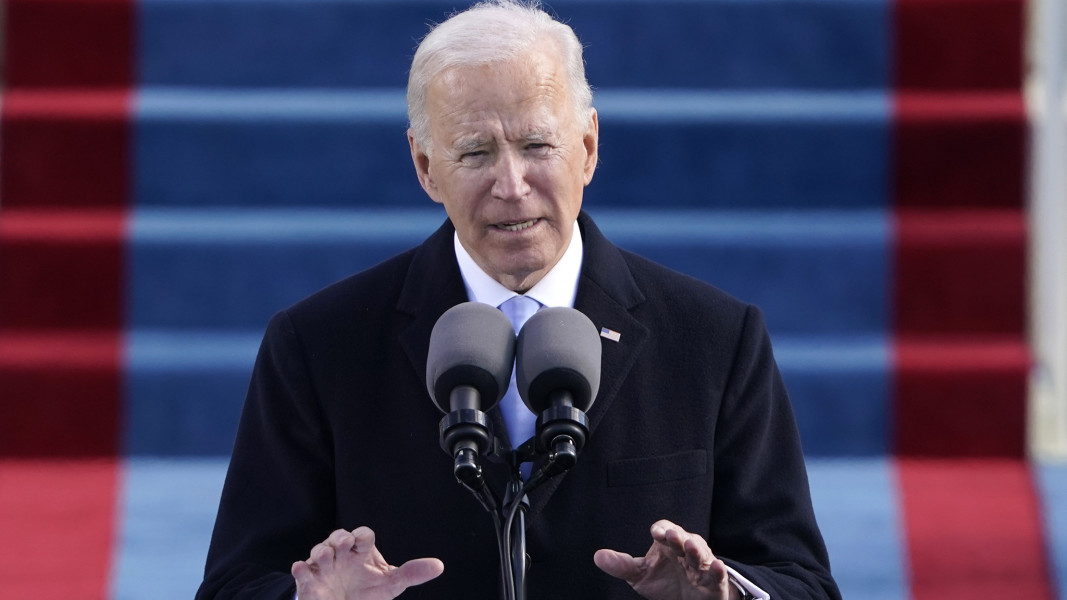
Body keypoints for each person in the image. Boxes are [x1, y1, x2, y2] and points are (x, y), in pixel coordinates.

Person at [196, 1, 841, 599]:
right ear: (425, 167)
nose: (512, 185)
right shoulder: (317, 347)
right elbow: (233, 584)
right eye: (476, 152)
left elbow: (802, 582)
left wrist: (726, 593)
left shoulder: (715, 340)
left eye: (537, 146)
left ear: (587, 147)